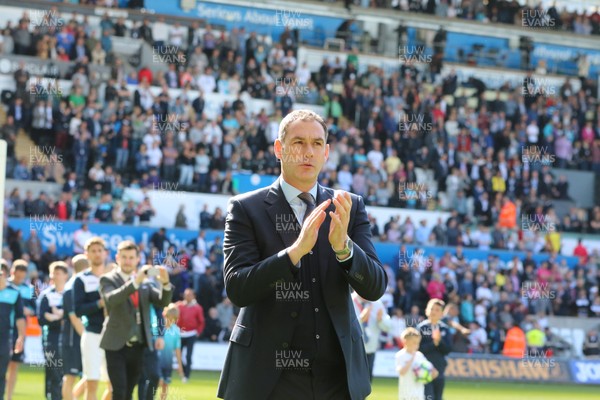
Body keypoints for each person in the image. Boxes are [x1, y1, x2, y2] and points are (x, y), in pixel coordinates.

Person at [217, 109, 387, 400]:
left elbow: (374, 287)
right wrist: (294, 253)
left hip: (338, 378)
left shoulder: (349, 205)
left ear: (327, 152)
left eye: (316, 144)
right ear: (279, 149)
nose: (308, 152)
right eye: (298, 143)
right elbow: (238, 288)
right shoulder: (246, 208)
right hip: (269, 378)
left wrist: (344, 249)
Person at [99, 240, 173, 400]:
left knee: (129, 391)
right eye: (124, 257)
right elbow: (112, 299)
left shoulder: (145, 283)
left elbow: (162, 302)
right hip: (115, 345)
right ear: (117, 257)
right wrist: (135, 282)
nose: (127, 261)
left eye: (131, 257)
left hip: (138, 346)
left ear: (138, 259)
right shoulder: (107, 279)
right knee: (119, 390)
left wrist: (166, 283)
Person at [74, 238, 110, 400]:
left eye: (99, 250)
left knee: (114, 385)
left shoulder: (113, 278)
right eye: (93, 251)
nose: (97, 254)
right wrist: (99, 303)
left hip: (113, 335)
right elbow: (78, 309)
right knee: (92, 383)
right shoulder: (81, 279)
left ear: (105, 253)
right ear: (86, 254)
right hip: (92, 335)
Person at [37, 261, 69, 400]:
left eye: (58, 273)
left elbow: (71, 316)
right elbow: (41, 318)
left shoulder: (70, 294)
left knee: (65, 374)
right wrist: (58, 317)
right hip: (50, 340)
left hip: (68, 339)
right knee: (53, 372)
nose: (55, 276)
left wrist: (54, 315)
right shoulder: (45, 295)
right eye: (53, 273)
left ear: (65, 275)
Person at [6, 259, 35, 400]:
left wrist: (26, 310)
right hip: (4, 328)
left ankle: (9, 396)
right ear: (12, 272)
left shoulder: (30, 289)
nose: (20, 279)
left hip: (19, 330)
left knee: (14, 364)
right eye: (18, 276)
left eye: (22, 276)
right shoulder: (4, 285)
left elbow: (36, 309)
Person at [62, 254, 89, 400]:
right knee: (70, 376)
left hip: (78, 337)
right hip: (73, 338)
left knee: (88, 376)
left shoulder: (76, 286)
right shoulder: (72, 288)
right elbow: (74, 317)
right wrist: (87, 337)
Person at [351, 291, 391, 381]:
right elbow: (345, 326)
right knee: (354, 381)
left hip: (370, 350)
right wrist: (361, 319)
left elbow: (388, 327)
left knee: (367, 381)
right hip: (353, 350)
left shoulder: (377, 303)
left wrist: (380, 320)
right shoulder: (349, 300)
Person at [0, 260, 25, 400]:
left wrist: (21, 337)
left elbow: (20, 317)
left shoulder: (14, 293)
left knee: (2, 373)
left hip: (4, 338)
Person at [417, 298, 452, 400]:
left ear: (441, 313)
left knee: (438, 397)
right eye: (432, 309)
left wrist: (439, 343)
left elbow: (448, 349)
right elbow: (418, 349)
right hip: (424, 369)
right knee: (427, 397)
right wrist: (434, 343)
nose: (434, 312)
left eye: (437, 310)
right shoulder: (421, 328)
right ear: (427, 310)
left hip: (439, 368)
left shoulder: (444, 329)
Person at [396, 327, 438, 400]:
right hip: (405, 394)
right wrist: (411, 359)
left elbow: (430, 370)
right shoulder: (400, 355)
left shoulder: (419, 355)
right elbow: (402, 372)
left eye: (418, 343)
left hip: (419, 394)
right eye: (414, 343)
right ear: (405, 341)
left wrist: (432, 373)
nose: (417, 345)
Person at [177, 288, 205, 382]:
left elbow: (201, 322)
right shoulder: (179, 306)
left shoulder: (197, 307)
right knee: (179, 355)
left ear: (193, 296)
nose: (187, 296)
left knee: (188, 356)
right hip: (180, 334)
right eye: (186, 295)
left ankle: (187, 375)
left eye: (189, 295)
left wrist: (198, 332)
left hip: (191, 334)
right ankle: (183, 372)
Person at [157, 304, 184, 399]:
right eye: (171, 317)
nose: (172, 320)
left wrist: (180, 366)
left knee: (165, 385)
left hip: (168, 363)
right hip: (156, 362)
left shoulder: (176, 331)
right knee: (157, 382)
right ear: (165, 315)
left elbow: (177, 350)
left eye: (175, 318)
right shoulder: (158, 328)